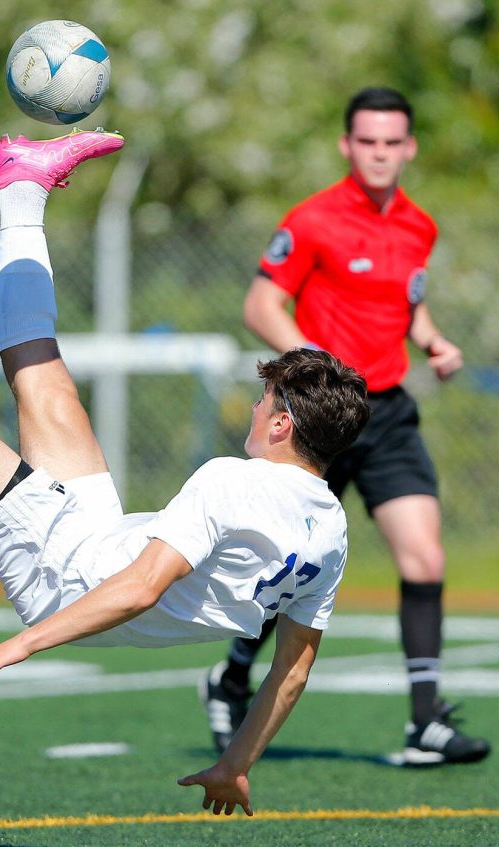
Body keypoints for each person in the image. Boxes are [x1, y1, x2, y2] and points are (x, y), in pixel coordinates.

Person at [0, 127, 370, 816]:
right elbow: (293, 666)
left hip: (59, 572)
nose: (258, 398)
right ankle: (22, 189)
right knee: (41, 376)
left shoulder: (234, 480)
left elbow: (142, 589)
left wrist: (19, 644)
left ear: (281, 424)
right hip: (95, 538)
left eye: (267, 394)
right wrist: (237, 764)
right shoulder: (331, 528)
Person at [202, 86, 491, 767]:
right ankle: (230, 677)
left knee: (426, 558)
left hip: (387, 412)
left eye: (393, 142)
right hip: (323, 421)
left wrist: (434, 341)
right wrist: (315, 375)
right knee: (289, 567)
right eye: (368, 141)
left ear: (409, 147)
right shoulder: (313, 220)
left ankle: (425, 724)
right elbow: (261, 302)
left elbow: (405, 305)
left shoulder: (419, 225)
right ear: (347, 145)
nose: (381, 153)